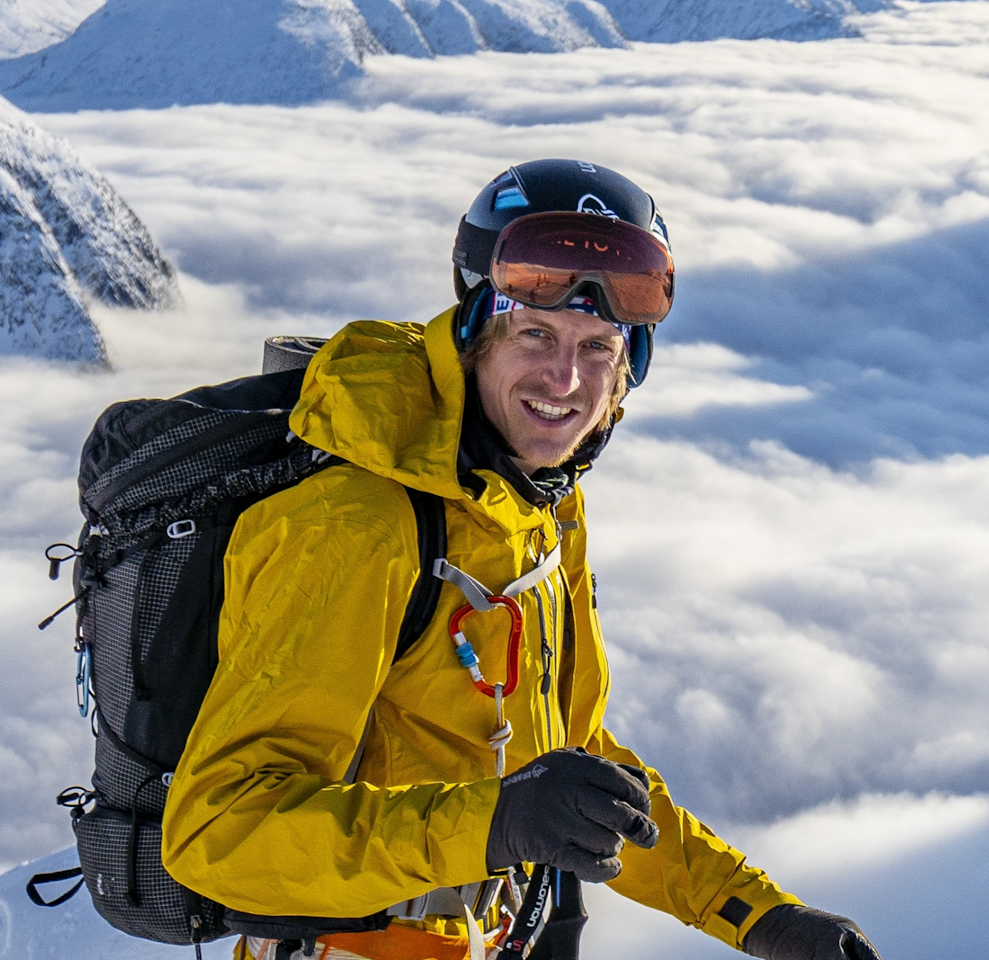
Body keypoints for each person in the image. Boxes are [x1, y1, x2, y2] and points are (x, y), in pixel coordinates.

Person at [160, 159, 884, 960]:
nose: (565, 379)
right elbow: (218, 835)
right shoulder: (359, 524)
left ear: (630, 370)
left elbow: (571, 764)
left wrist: (754, 915)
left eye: (598, 347)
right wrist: (496, 824)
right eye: (534, 334)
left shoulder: (539, 504)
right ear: (474, 335)